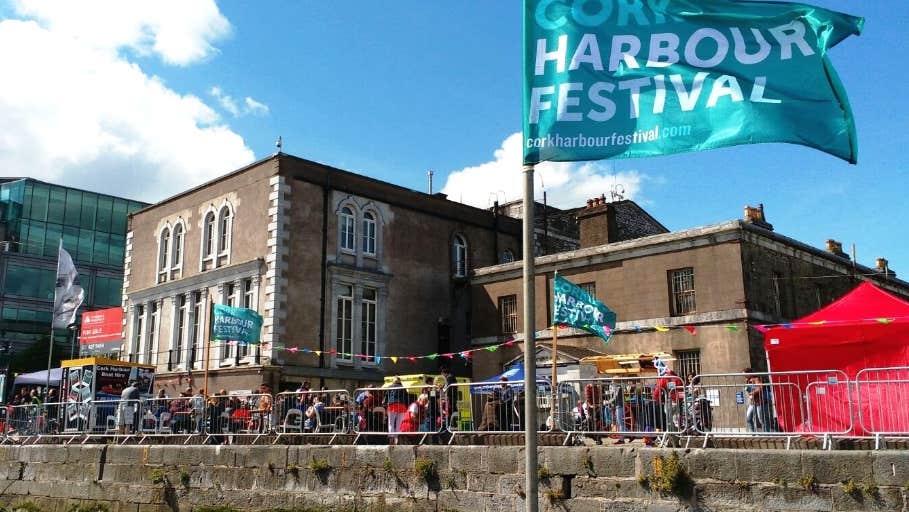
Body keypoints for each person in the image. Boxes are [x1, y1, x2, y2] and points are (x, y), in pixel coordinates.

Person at [383, 376, 408, 444]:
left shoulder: (390, 387)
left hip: (392, 405)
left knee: (391, 423)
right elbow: (406, 397)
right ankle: (397, 438)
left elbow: (386, 396)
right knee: (399, 424)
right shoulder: (403, 387)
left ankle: (391, 438)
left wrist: (385, 404)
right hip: (401, 405)